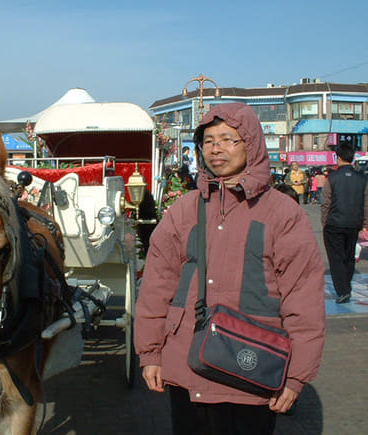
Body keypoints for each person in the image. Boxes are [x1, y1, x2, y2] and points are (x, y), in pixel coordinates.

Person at [135, 103, 325, 434]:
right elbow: (156, 285)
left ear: (251, 143)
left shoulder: (282, 213)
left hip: (251, 367)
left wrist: (297, 376)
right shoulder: (185, 210)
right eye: (208, 141)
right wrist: (149, 352)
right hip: (188, 363)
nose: (216, 148)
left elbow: (303, 297)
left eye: (227, 139)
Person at [321, 143, 368, 304]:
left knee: (336, 258)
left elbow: (326, 202)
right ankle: (346, 286)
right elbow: (366, 202)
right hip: (354, 222)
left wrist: (324, 222)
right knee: (349, 257)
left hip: (334, 223)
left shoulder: (332, 178)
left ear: (338, 157)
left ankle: (342, 290)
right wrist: (364, 223)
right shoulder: (362, 178)